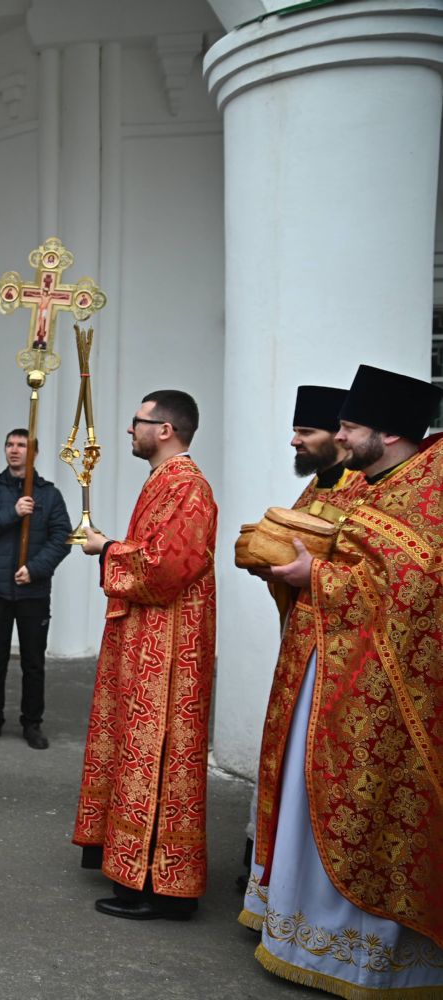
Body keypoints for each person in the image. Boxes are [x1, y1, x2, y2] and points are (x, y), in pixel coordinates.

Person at [250, 365, 443, 996]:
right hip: (329, 671)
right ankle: (302, 929)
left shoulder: (429, 491)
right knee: (309, 798)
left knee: (374, 815)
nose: (339, 435)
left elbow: (417, 591)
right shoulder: (375, 483)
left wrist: (316, 575)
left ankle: (365, 957)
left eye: (351, 426)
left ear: (389, 434)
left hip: (388, 699)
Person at [76, 389, 216, 920]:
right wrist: (115, 548)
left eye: (137, 421)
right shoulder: (163, 480)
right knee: (134, 745)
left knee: (159, 752)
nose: (129, 430)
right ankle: (130, 864)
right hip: (147, 639)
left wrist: (107, 549)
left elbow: (166, 568)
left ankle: (163, 886)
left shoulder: (188, 487)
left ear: (165, 430)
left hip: (171, 649)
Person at [234, 384, 359, 889]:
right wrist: (267, 564)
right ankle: (267, 870)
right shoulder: (313, 491)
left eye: (306, 431)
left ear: (338, 436)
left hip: (338, 661)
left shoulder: (361, 492)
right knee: (282, 754)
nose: (294, 441)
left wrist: (307, 573)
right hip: (299, 644)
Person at [0, 428, 70, 749]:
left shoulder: (50, 496)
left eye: (22, 445)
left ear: (33, 453)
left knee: (33, 662)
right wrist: (13, 512)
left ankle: (32, 723)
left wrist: (35, 570)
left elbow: (62, 538)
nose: (14, 450)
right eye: (9, 444)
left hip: (32, 592)